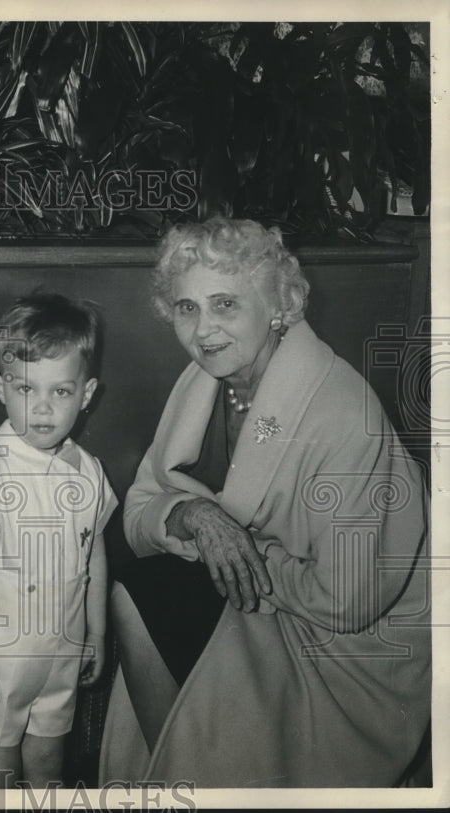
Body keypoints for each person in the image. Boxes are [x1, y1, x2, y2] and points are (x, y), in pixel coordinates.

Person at [99, 217, 431, 787]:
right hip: (269, 603)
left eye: (224, 304)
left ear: (277, 305)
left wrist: (237, 550)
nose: (203, 330)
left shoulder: (343, 411)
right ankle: (186, 783)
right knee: (135, 592)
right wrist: (194, 515)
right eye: (187, 308)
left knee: (147, 596)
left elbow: (349, 602)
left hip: (348, 654)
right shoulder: (206, 379)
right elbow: (141, 507)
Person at [0, 291, 117, 788]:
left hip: (58, 653)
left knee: (48, 768)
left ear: (87, 393)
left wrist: (96, 633)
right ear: (0, 385)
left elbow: (93, 553)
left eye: (61, 392)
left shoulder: (88, 470)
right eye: (26, 388)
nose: (42, 408)